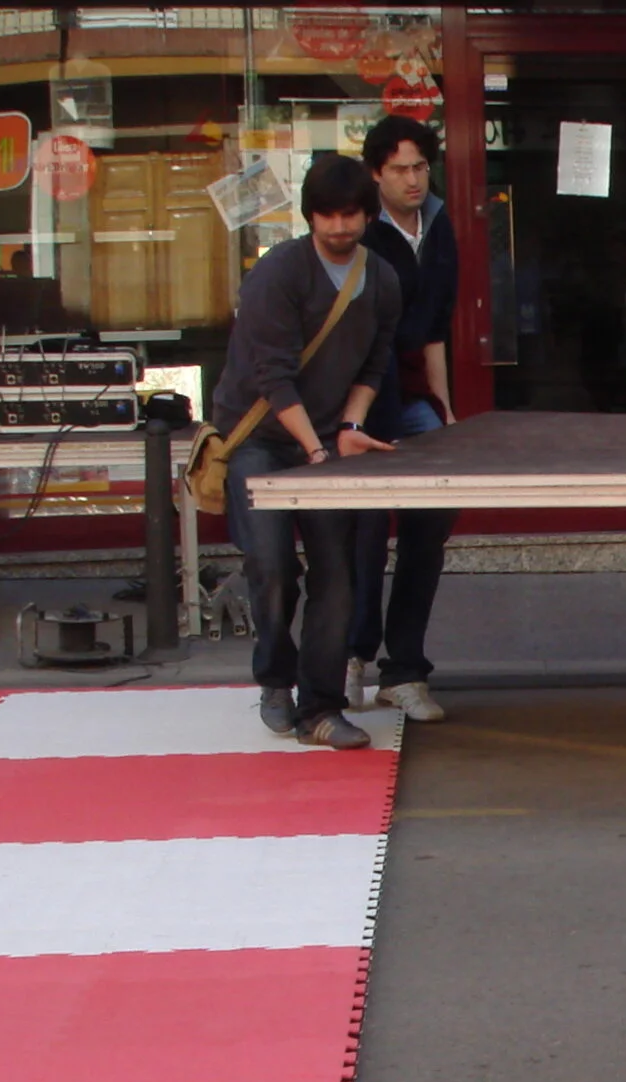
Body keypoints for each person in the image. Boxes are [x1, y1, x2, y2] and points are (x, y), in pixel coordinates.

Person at [213, 150, 401, 749]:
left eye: (351, 214)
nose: (340, 226)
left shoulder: (383, 278)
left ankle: (321, 706)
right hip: (261, 439)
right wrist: (314, 448)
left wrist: (349, 425)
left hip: (323, 438)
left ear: (368, 214)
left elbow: (375, 361)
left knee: (336, 574)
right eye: (328, 215)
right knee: (270, 567)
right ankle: (275, 678)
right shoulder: (277, 274)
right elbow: (272, 375)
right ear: (310, 216)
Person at [347, 114, 460, 723]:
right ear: (376, 174)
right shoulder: (358, 232)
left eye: (420, 167)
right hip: (362, 398)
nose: (413, 179)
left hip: (415, 396)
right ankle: (353, 653)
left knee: (430, 523)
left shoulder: (438, 225)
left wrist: (443, 406)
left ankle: (405, 667)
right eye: (400, 169)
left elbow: (436, 326)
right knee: (363, 529)